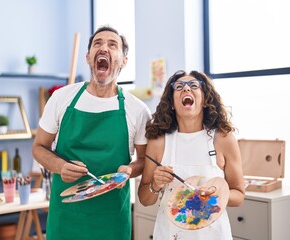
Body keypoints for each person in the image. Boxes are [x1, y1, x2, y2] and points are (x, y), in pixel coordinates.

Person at [32, 25, 151, 240]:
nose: (104, 48)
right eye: (98, 43)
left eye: (112, 45)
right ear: (88, 57)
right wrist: (60, 166)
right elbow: (38, 148)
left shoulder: (138, 110)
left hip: (111, 219)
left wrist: (129, 170)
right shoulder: (61, 98)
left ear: (123, 60)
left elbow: (144, 160)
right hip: (66, 218)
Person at [138, 70, 245, 239]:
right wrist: (155, 185)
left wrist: (217, 195)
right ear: (172, 103)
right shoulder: (158, 142)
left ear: (204, 99)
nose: (186, 89)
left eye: (193, 85)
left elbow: (238, 195)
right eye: (179, 86)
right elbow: (144, 199)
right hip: (170, 234)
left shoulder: (223, 139)